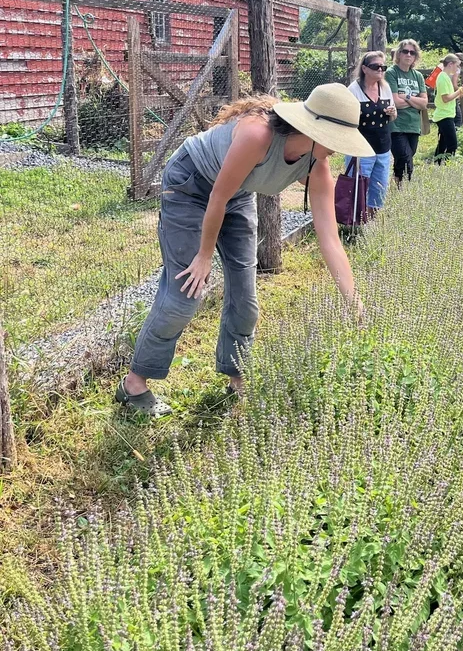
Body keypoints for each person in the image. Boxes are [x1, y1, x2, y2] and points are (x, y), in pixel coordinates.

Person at [115, 84, 373, 417]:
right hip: (192, 184)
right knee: (185, 294)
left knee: (246, 300)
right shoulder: (257, 136)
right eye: (336, 140)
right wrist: (204, 256)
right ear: (313, 130)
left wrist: (354, 303)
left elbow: (330, 240)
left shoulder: (317, 166)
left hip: (236, 196)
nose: (339, 151)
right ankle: (133, 385)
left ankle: (236, 377)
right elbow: (216, 197)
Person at [347, 51, 397, 214]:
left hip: (383, 147)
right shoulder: (353, 90)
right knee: (359, 187)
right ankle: (355, 223)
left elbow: (392, 117)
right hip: (361, 149)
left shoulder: (386, 88)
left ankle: (373, 222)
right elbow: (346, 120)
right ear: (365, 69)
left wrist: (392, 113)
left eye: (383, 67)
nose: (380, 70)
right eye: (376, 67)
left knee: (379, 188)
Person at [385, 39, 427, 185]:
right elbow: (395, 102)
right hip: (396, 125)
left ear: (415, 56)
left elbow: (424, 103)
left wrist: (407, 97)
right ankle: (405, 187)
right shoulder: (391, 73)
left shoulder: (418, 76)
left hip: (413, 125)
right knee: (405, 157)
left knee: (404, 157)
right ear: (399, 53)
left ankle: (397, 184)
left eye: (412, 52)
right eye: (405, 51)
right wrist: (414, 101)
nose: (408, 55)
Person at [431, 54, 463, 162]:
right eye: (457, 66)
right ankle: (446, 165)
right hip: (444, 115)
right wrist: (460, 91)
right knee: (452, 144)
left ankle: (437, 164)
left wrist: (459, 92)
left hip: (446, 114)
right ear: (450, 64)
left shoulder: (445, 77)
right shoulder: (442, 78)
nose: (457, 69)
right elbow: (446, 98)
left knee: (443, 142)